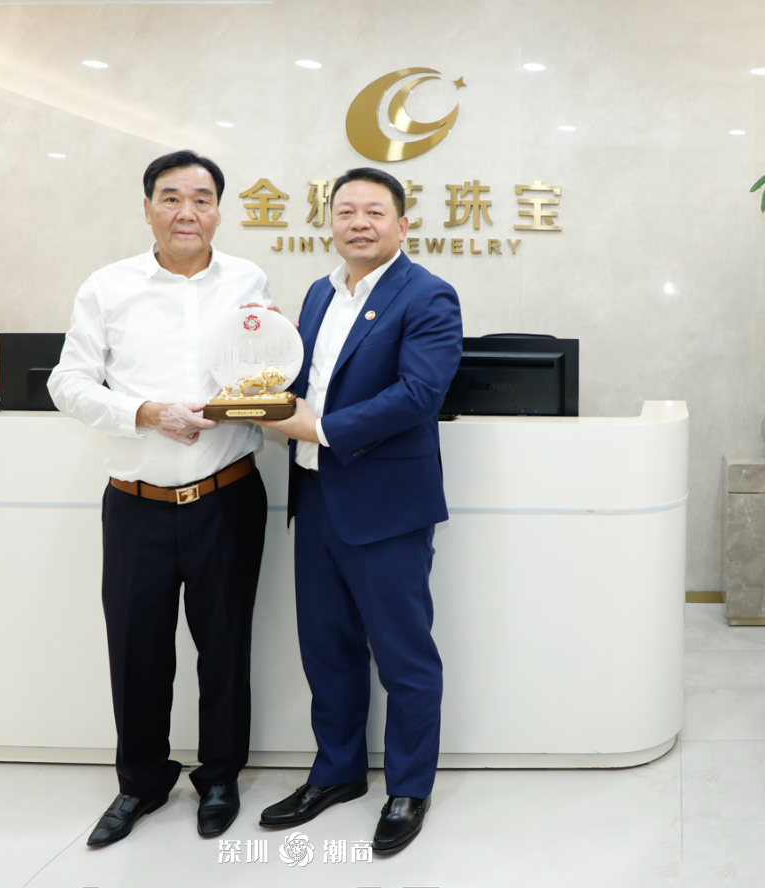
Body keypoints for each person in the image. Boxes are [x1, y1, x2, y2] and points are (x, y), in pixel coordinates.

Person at [48, 150, 273, 846]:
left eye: (202, 199)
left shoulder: (248, 280)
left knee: (225, 648)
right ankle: (141, 782)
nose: (187, 212)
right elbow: (67, 383)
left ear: (218, 211)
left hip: (227, 496)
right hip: (136, 501)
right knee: (137, 649)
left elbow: (266, 371)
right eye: (171, 198)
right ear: (147, 209)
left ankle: (220, 778)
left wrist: (260, 386)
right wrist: (145, 413)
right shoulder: (108, 286)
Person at [253, 167, 463, 854]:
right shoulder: (319, 292)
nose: (359, 223)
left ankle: (409, 787)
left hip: (386, 506)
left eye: (375, 211)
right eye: (346, 211)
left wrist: (318, 428)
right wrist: (252, 383)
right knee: (328, 650)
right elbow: (306, 379)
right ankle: (337, 772)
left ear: (403, 224)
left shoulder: (428, 295)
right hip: (315, 498)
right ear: (331, 223)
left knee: (404, 657)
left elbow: (419, 394)